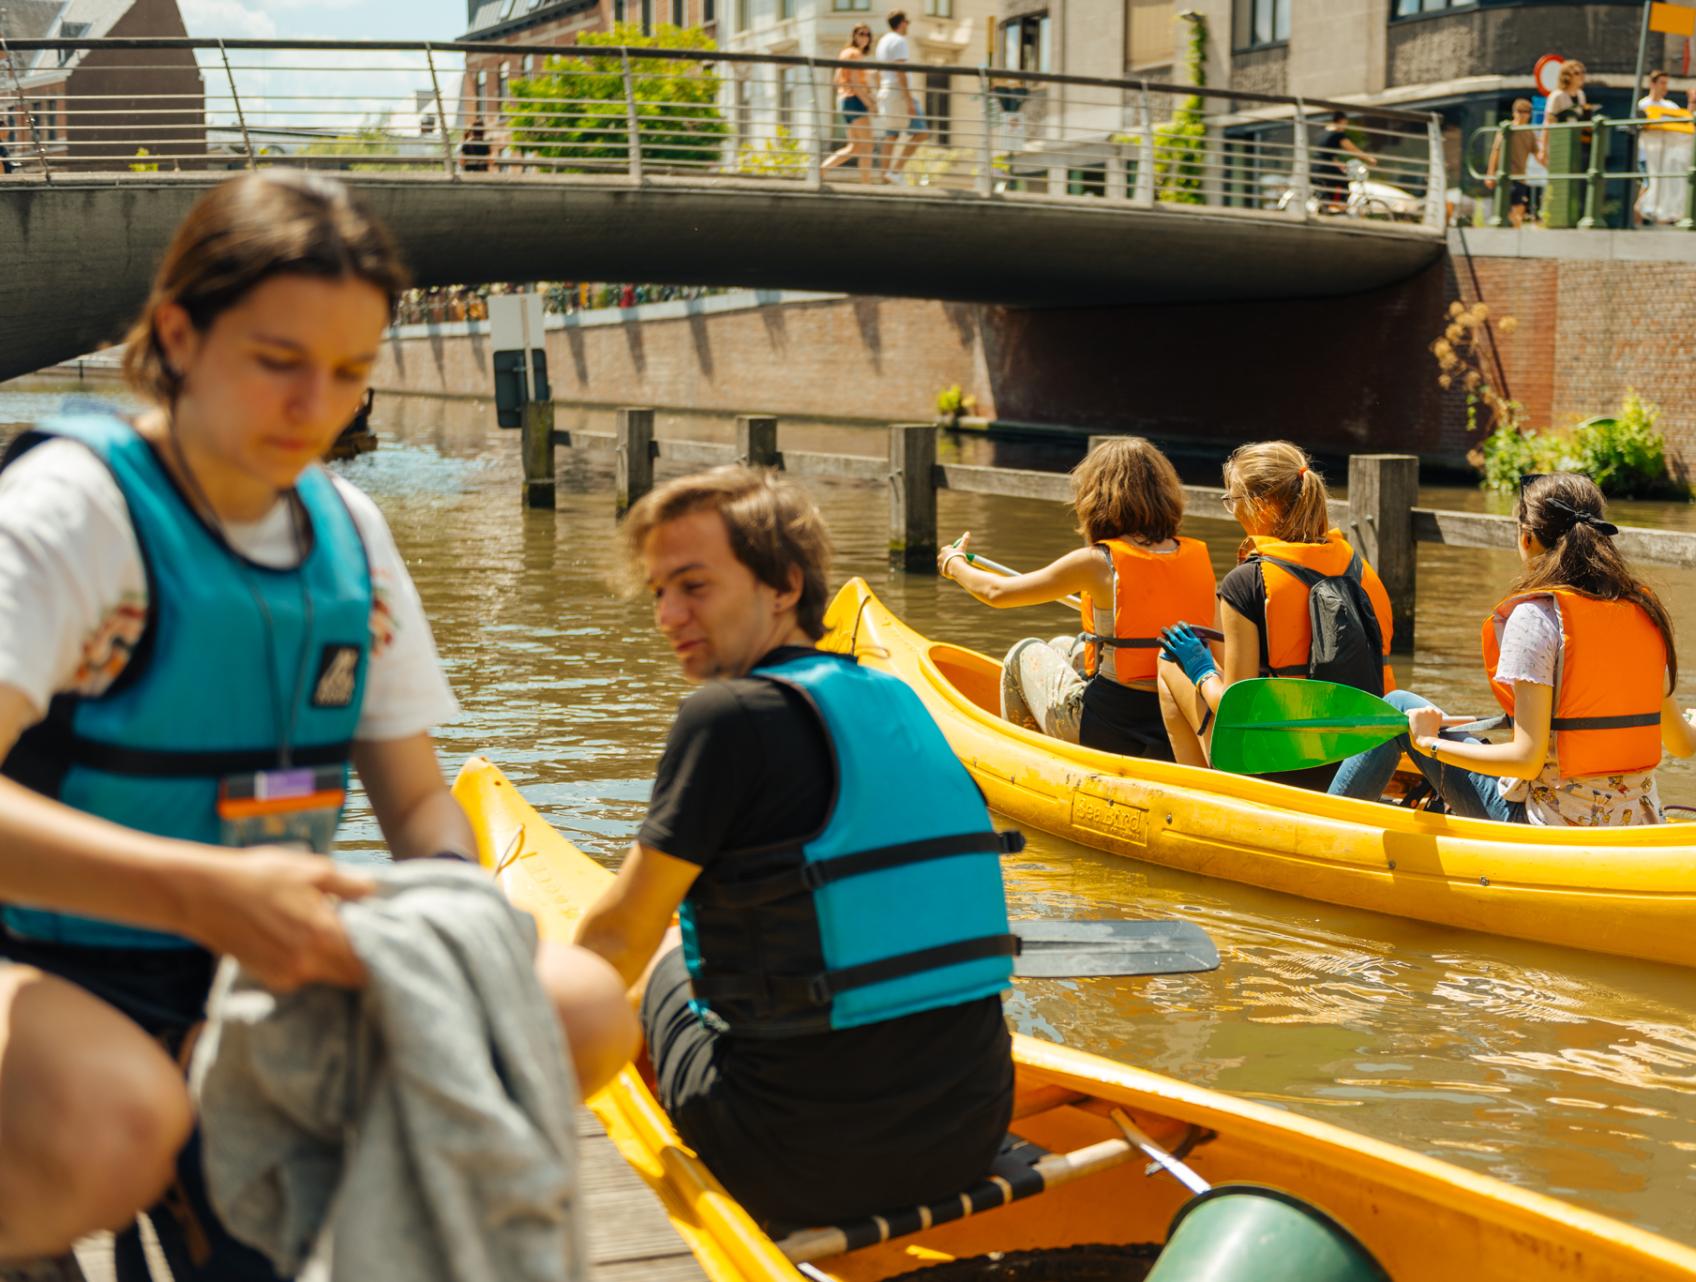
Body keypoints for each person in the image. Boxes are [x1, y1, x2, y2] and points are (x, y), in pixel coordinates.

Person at [0, 171, 634, 1280]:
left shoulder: (351, 532)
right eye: (278, 363)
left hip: (249, 959)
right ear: (179, 334)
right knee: (113, 1121)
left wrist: (444, 925)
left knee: (575, 1006)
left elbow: (421, 802)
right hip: (40, 953)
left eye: (348, 373)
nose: (316, 409)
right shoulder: (72, 510)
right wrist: (200, 893)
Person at [574, 465, 1017, 1230]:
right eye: (657, 591)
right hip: (970, 1132)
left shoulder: (726, 716)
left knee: (663, 958)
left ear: (782, 585)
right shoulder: (895, 696)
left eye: (693, 586)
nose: (666, 614)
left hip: (794, 1164)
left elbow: (614, 937)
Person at [1387, 473, 1696, 826]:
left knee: (1398, 706)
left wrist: (1428, 743)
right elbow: (1683, 744)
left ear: (1527, 538)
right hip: (1636, 822)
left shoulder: (1535, 618)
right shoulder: (1643, 612)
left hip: (1548, 824)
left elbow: (1526, 760)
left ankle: (1333, 817)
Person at [937, 436, 1216, 762]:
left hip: (1111, 730)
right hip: (1171, 723)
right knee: (1060, 645)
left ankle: (1026, 762)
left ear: (1097, 498)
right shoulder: (1196, 554)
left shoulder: (1097, 562)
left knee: (1022, 653)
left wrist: (952, 564)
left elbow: (995, 593)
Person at [1157, 440, 1399, 795]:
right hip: (1357, 762)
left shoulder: (1247, 581)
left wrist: (1201, 669)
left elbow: (1234, 709)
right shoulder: (1362, 571)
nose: (1234, 512)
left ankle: (1200, 795)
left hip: (1275, 770)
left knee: (1169, 662)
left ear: (1264, 506)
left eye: (1233, 501)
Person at [873, 10, 930, 183]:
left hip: (886, 91)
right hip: (898, 93)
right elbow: (901, 71)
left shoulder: (882, 41)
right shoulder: (899, 41)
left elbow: (877, 72)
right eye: (907, 22)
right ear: (902, 23)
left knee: (891, 134)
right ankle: (895, 171)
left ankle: (885, 177)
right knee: (921, 132)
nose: (908, 26)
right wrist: (908, 100)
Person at [1635, 72, 1696, 226]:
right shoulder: (1643, 105)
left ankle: (1657, 224)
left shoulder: (1670, 106)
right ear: (1653, 84)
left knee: (1662, 190)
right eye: (1662, 83)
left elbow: (1686, 120)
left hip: (1666, 156)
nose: (1665, 87)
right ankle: (1637, 222)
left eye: (1666, 83)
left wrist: (1692, 102)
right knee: (1649, 185)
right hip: (1647, 155)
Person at [822, 24, 876, 181]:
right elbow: (854, 82)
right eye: (861, 33)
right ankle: (866, 186)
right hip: (854, 101)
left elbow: (837, 80)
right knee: (867, 145)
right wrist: (869, 103)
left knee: (855, 147)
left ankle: (820, 171)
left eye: (868, 34)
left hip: (845, 101)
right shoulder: (854, 53)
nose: (864, 37)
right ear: (854, 35)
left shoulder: (844, 53)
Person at [1487, 98, 1537, 226]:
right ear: (1514, 112)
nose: (1522, 114)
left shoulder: (1530, 133)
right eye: (1519, 111)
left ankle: (1515, 234)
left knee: (1519, 209)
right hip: (1505, 177)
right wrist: (1490, 173)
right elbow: (1495, 151)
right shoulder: (1506, 129)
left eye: (1525, 111)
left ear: (1529, 114)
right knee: (1507, 210)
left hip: (1520, 177)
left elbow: (1538, 154)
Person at [1312, 110, 1376, 210]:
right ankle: (1338, 208)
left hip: (1315, 166)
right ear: (1341, 121)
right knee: (1343, 182)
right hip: (1324, 167)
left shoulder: (1323, 133)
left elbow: (1325, 154)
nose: (1345, 127)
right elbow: (1353, 150)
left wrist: (1338, 164)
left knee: (1329, 188)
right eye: (1345, 123)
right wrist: (1369, 159)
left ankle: (1328, 206)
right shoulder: (1337, 135)